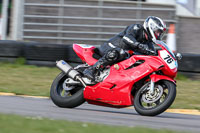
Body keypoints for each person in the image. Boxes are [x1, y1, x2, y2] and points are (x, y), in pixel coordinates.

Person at [83, 16, 166, 81]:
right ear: (151, 27)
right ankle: (91, 70)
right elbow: (126, 38)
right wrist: (138, 45)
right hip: (110, 48)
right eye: (158, 32)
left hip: (122, 57)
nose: (158, 35)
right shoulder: (137, 28)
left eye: (160, 33)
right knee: (121, 53)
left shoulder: (148, 43)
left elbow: (152, 53)